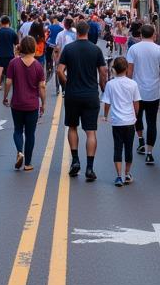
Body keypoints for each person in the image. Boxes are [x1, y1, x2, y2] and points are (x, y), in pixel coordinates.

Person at [58, 19, 108, 181]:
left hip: (73, 94)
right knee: (90, 132)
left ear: (76, 32)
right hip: (91, 94)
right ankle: (90, 168)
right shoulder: (95, 50)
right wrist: (102, 87)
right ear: (87, 32)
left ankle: (75, 160)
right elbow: (103, 72)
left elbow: (60, 71)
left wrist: (67, 83)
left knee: (72, 127)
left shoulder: (68, 49)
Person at [126, 23, 160, 165]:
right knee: (152, 122)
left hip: (137, 90)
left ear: (141, 34)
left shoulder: (133, 49)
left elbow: (130, 71)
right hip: (153, 91)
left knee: (137, 117)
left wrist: (128, 85)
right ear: (154, 35)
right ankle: (149, 152)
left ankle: (140, 140)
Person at [4, 35, 46, 171]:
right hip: (32, 105)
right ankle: (27, 163)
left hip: (17, 103)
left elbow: (8, 82)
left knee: (17, 130)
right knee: (30, 134)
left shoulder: (14, 63)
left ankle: (19, 152)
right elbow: (42, 87)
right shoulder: (38, 66)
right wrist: (43, 103)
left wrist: (5, 96)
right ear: (34, 48)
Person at [103, 56, 140, 187]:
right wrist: (136, 114)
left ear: (114, 69)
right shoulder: (133, 84)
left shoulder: (110, 84)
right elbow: (136, 102)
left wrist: (105, 116)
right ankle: (127, 173)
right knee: (129, 148)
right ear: (127, 68)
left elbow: (107, 102)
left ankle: (119, 176)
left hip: (117, 121)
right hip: (130, 121)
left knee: (117, 148)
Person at [0, 16, 19, 91]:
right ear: (9, 23)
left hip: (0, 54)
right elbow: (16, 43)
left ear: (1, 23)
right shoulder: (13, 32)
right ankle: (9, 85)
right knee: (9, 73)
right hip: (10, 55)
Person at [53, 16, 77, 94]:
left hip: (62, 56)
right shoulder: (76, 34)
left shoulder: (60, 34)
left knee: (59, 72)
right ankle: (70, 87)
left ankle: (60, 88)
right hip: (73, 56)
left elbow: (57, 48)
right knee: (72, 72)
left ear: (65, 24)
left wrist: (56, 58)